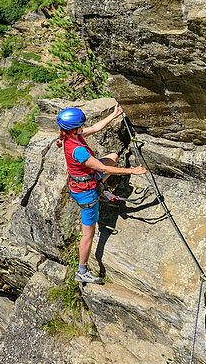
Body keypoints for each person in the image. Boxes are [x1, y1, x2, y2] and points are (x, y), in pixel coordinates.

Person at [57, 104, 147, 284]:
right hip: (86, 194)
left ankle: (99, 183)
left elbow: (96, 128)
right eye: (81, 124)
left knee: (113, 156)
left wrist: (114, 114)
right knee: (88, 235)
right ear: (74, 128)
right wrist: (133, 172)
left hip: (81, 182)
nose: (83, 127)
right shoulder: (78, 150)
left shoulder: (69, 136)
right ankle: (82, 270)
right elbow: (104, 168)